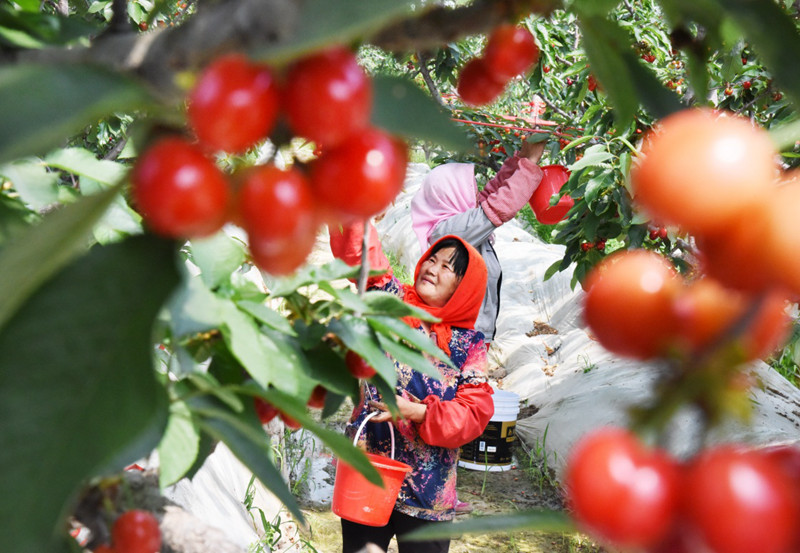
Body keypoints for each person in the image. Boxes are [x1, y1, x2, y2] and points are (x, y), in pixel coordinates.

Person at [329, 222, 495, 553]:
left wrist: (416, 412)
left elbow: (474, 413)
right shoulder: (391, 301)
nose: (432, 268)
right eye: (432, 260)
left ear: (464, 287)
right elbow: (363, 255)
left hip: (427, 493)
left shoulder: (468, 345)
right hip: (368, 470)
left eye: (447, 268)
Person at [411, 140, 546, 345]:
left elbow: (490, 195)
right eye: (471, 189)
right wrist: (531, 164)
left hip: (471, 332)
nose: (476, 193)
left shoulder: (457, 224)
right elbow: (498, 207)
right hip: (462, 336)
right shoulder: (450, 232)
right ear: (449, 194)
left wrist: (521, 158)